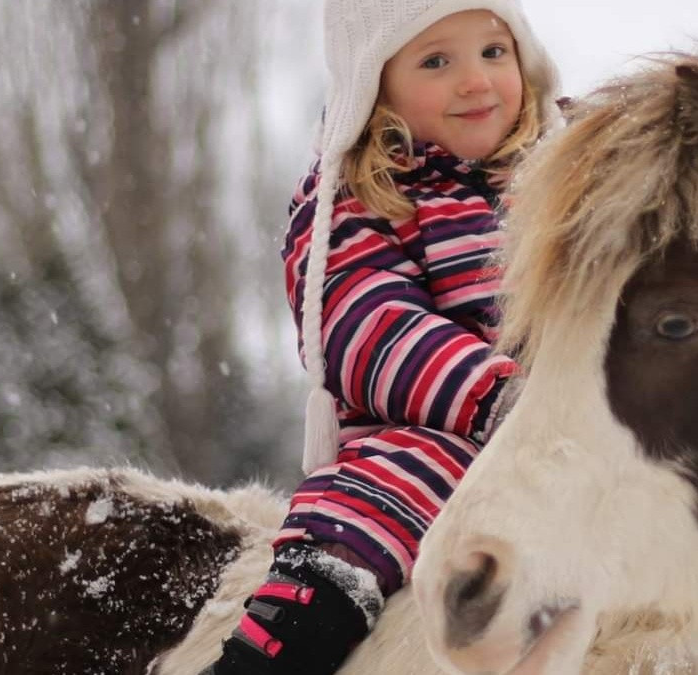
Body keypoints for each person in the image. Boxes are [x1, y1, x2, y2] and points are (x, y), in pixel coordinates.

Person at [204, 1, 561, 673]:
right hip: (428, 435)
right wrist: (500, 399)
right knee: (365, 522)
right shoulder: (354, 197)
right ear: (375, 83)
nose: (476, 81)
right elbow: (370, 326)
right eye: (435, 61)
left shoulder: (566, 169)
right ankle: (281, 647)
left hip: (574, 425)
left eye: (494, 51)